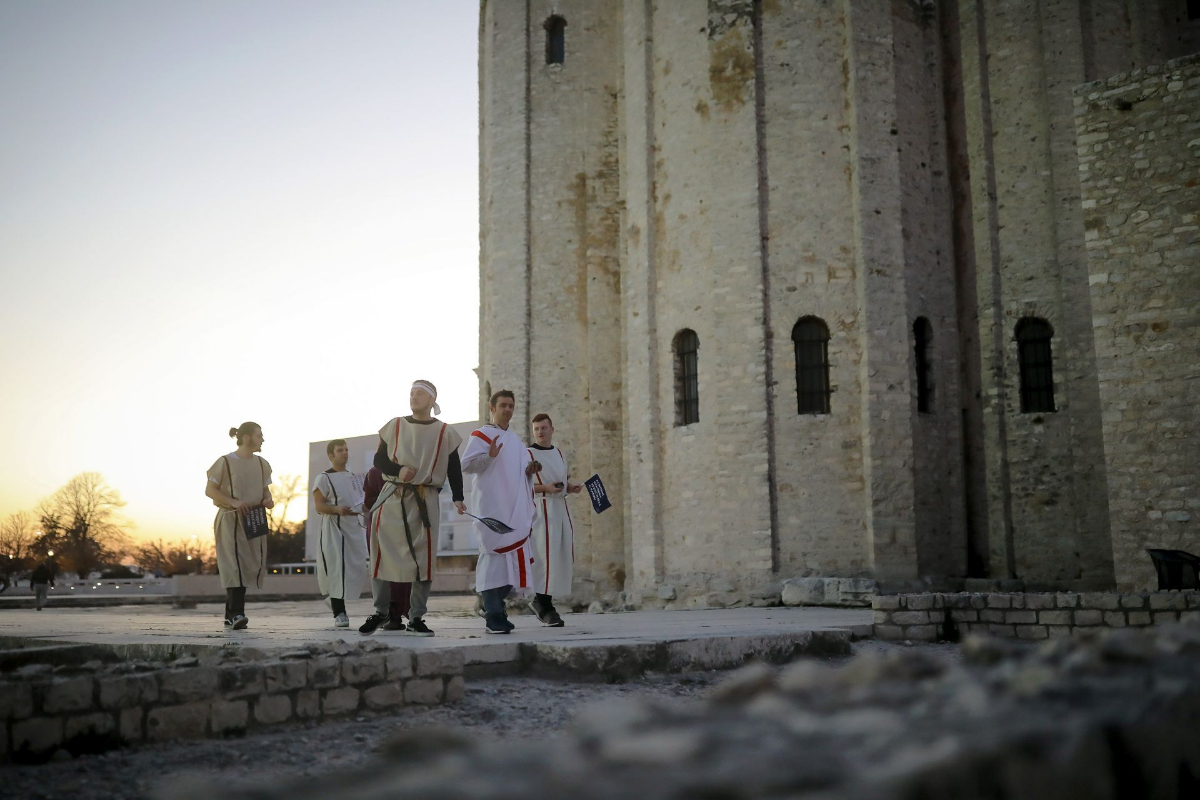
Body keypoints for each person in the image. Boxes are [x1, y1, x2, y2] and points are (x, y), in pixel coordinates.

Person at [360, 381, 464, 636]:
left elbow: (453, 467)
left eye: (419, 394)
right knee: (381, 552)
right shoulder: (395, 425)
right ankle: (381, 612)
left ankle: (416, 618)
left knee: (423, 558)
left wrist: (458, 497)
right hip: (393, 495)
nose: (413, 397)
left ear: (432, 400)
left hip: (424, 498)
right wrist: (399, 470)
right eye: (411, 393)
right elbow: (379, 459)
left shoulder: (444, 432)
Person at [461, 390, 539, 634]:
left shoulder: (516, 442)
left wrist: (530, 470)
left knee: (511, 564)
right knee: (492, 560)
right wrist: (489, 456)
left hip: (514, 510)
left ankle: (494, 608)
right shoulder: (482, 435)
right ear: (492, 408)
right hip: (492, 508)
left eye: (511, 406)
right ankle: (493, 614)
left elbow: (519, 472)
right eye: (503, 405)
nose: (507, 409)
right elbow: (466, 465)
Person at [205, 422, 274, 630]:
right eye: (259, 435)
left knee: (247, 565)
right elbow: (210, 490)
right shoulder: (225, 462)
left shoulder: (262, 464)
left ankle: (231, 615)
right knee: (233, 564)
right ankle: (236, 613)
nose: (263, 439)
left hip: (254, 518)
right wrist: (233, 502)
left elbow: (266, 490)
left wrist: (268, 499)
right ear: (246, 437)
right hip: (231, 517)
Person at [528, 413, 582, 627]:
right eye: (536, 429)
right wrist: (545, 488)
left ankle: (544, 601)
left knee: (559, 556)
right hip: (541, 508)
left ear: (552, 429)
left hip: (560, 508)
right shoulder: (528, 454)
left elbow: (561, 481)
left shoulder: (559, 453)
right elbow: (521, 485)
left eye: (544, 428)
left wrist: (570, 487)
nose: (540, 432)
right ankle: (542, 604)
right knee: (544, 555)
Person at [312, 439, 368, 628]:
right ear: (331, 455)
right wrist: (336, 509)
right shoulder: (323, 478)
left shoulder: (353, 477)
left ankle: (333, 600)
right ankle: (339, 612)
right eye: (340, 450)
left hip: (353, 526)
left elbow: (360, 502)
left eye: (346, 449)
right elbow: (319, 505)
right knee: (337, 567)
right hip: (334, 527)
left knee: (356, 566)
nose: (345, 453)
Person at [362, 466, 411, 630]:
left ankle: (388, 613)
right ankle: (403, 612)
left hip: (380, 524)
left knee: (382, 568)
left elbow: (368, 502)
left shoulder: (373, 473)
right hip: (401, 522)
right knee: (403, 568)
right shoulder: (408, 469)